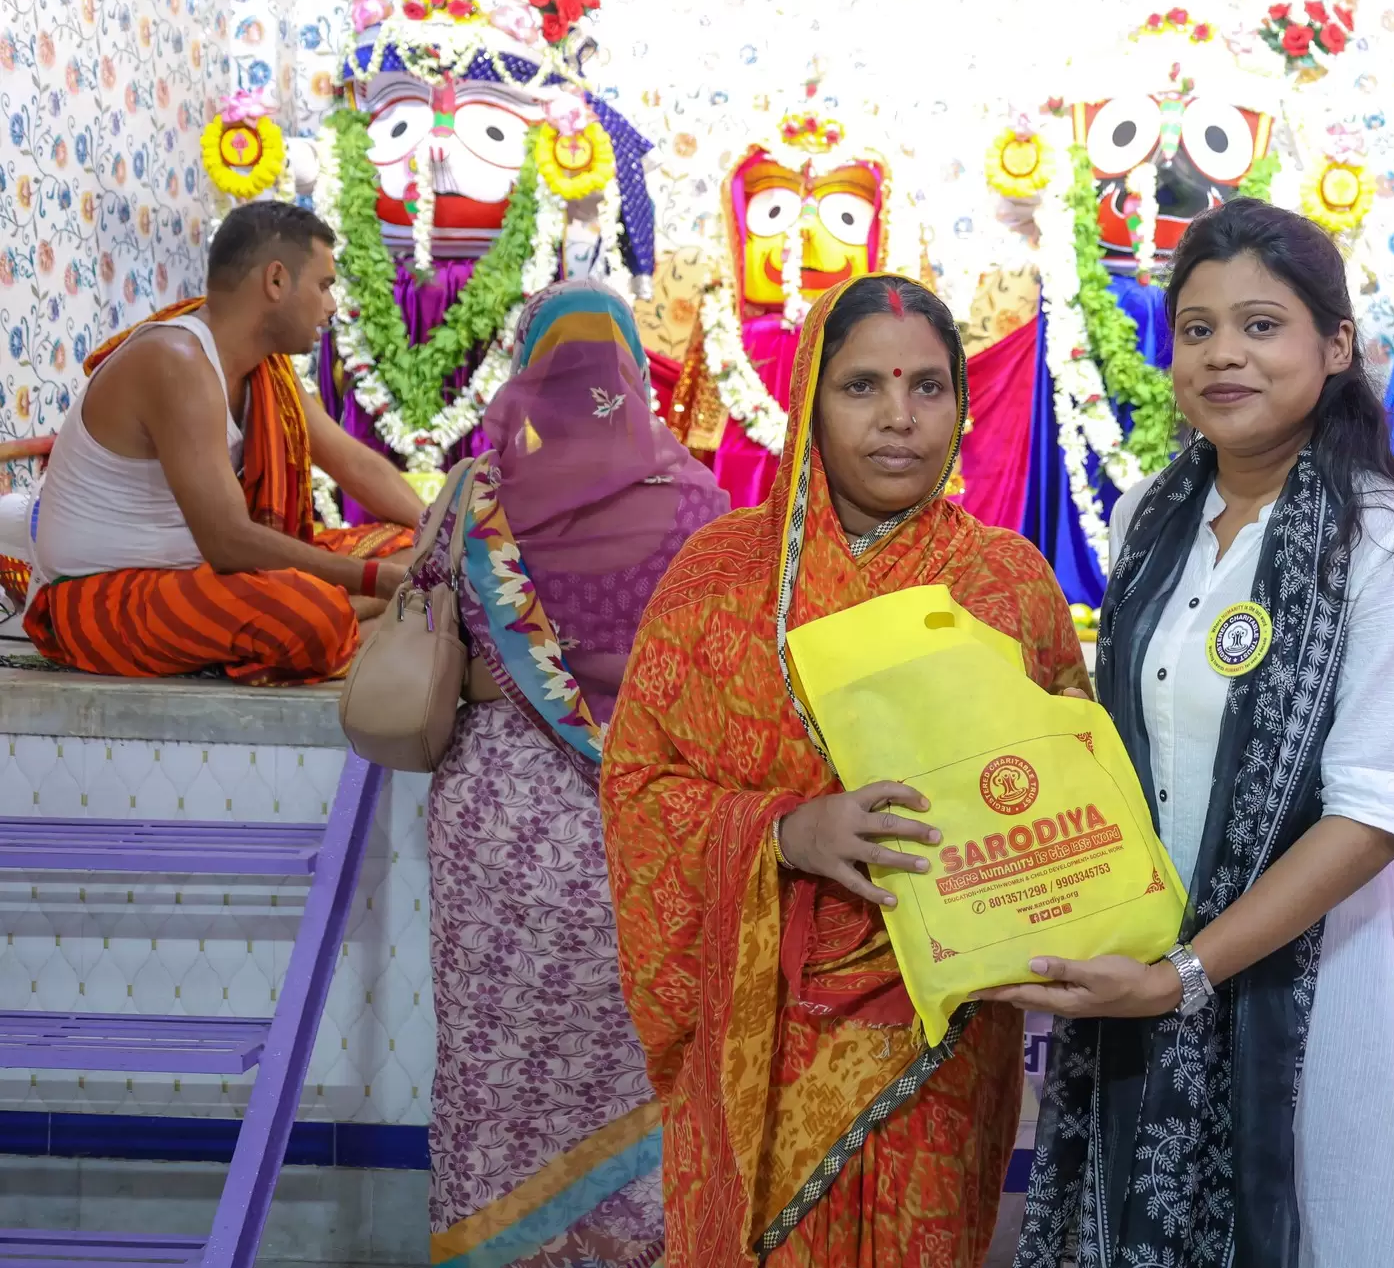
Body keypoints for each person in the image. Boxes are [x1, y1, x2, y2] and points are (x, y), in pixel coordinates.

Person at [996, 196, 1394, 1268]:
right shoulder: (1147, 515)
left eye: (1261, 325)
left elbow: (1369, 817)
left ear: (1335, 345)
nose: (1223, 355)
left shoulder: (1388, 535)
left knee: (1314, 1226)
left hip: (1314, 984)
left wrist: (1184, 975)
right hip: (1141, 960)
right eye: (1197, 329)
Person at [601, 274, 1088, 1265]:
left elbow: (1070, 784)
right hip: (765, 1032)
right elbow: (638, 787)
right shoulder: (716, 577)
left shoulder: (1009, 583)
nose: (899, 418)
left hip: (941, 1036)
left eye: (928, 387)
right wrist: (787, 831)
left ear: (961, 403)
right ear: (809, 403)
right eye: (862, 386)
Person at [417, 279, 729, 1268]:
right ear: (629, 373)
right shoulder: (698, 504)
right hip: (641, 814)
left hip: (499, 822)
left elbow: (427, 611)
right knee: (640, 1054)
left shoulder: (476, 494)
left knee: (496, 1065)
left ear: (529, 372)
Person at [16, 200, 425, 684]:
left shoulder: (263, 367)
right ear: (276, 281)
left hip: (204, 576)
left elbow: (353, 463)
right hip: (100, 596)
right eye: (323, 285)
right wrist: (373, 581)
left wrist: (439, 534)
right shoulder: (176, 360)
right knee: (312, 617)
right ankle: (374, 623)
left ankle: (370, 624)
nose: (332, 306)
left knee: (410, 548)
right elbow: (228, 542)